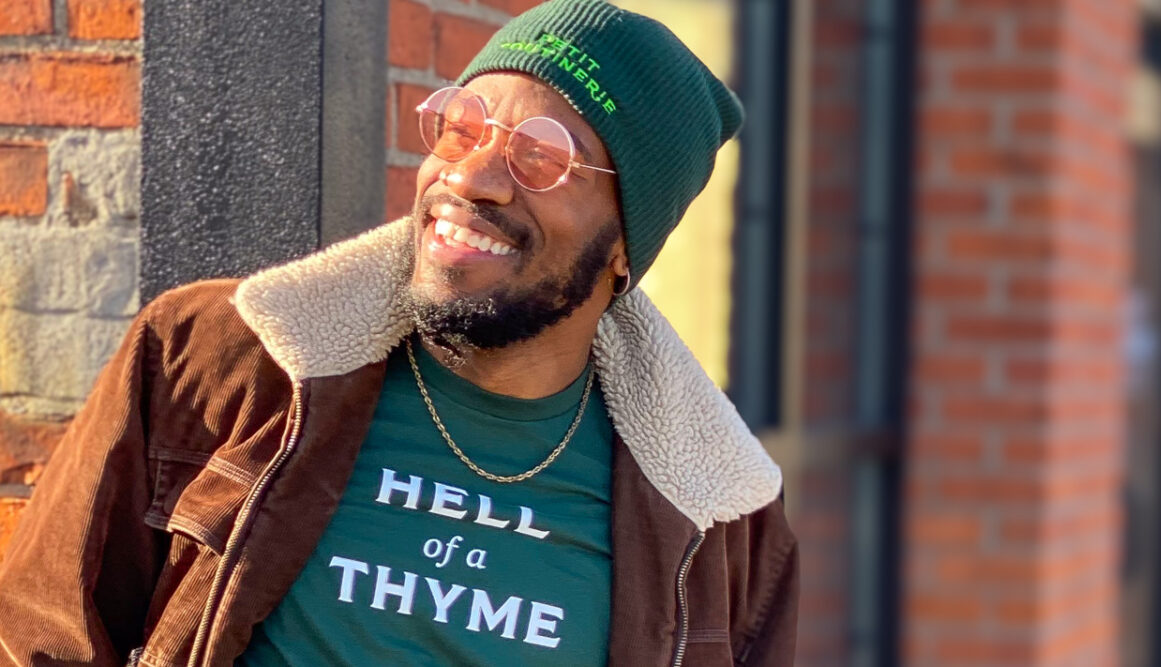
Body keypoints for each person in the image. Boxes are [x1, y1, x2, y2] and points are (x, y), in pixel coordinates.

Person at [0, 1, 795, 664]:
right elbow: (41, 634)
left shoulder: (720, 516)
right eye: (461, 127)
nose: (470, 178)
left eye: (543, 157)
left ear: (626, 244)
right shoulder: (214, 358)